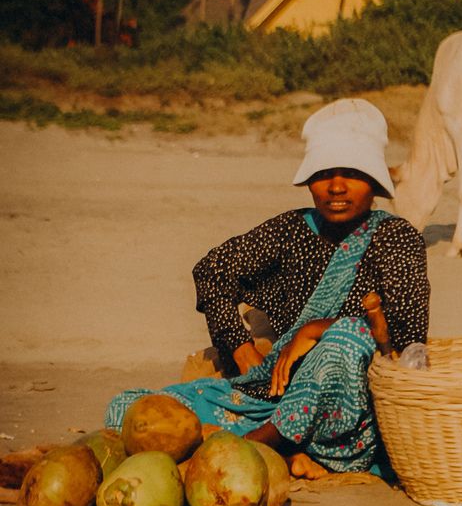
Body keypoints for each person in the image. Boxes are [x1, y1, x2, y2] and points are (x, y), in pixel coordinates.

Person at [104, 98, 430, 480]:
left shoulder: (396, 237)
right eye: (324, 173)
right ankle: (280, 445)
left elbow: (408, 335)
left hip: (351, 409)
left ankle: (258, 446)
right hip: (272, 396)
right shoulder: (290, 231)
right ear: (310, 180)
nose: (336, 186)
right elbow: (212, 272)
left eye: (352, 173)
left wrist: (316, 329)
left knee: (349, 337)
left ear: (374, 182)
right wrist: (239, 347)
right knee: (128, 410)